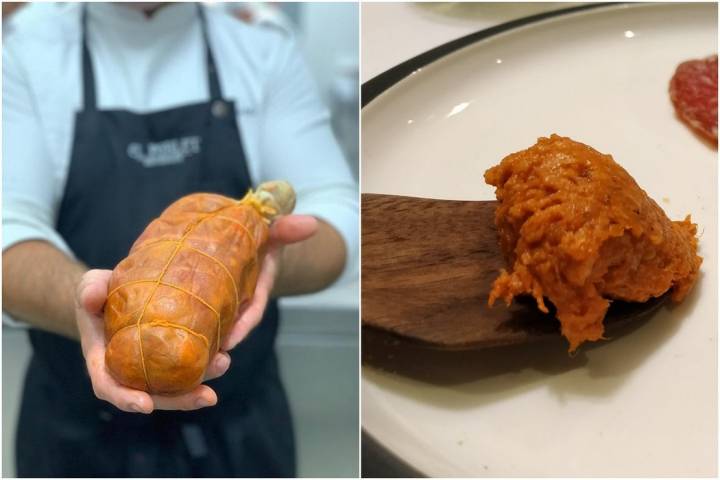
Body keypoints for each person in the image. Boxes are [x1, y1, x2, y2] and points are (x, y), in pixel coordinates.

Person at [2, 2, 358, 477]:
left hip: (240, 431)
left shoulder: (262, 48)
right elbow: (9, 225)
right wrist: (91, 305)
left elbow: (339, 214)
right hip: (74, 436)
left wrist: (238, 269)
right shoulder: (24, 51)